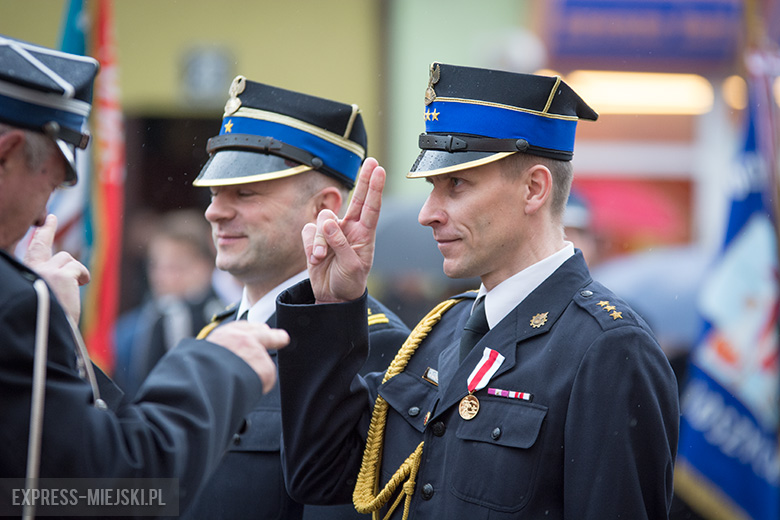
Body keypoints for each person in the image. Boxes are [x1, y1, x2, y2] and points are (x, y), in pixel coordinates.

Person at [274, 63, 680, 519]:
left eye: (456, 184)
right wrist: (334, 306)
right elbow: (319, 477)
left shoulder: (608, 349)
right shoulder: (443, 329)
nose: (428, 213)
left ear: (533, 189)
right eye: (432, 187)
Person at [0, 35, 285, 515]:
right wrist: (215, 367)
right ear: (7, 153)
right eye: (51, 182)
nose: (42, 216)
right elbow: (104, 493)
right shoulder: (15, 304)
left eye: (249, 194)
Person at [181, 76, 410, 520]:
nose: (215, 211)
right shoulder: (214, 333)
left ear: (323, 206)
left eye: (244, 192)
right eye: (214, 193)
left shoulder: (372, 345)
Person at [114, 209, 226, 396]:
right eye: (155, 265)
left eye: (175, 267)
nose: (161, 277)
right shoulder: (130, 330)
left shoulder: (224, 316)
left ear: (205, 267)